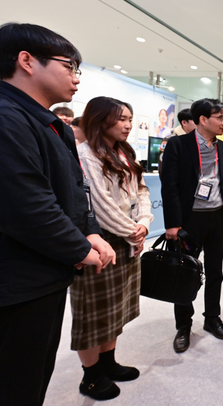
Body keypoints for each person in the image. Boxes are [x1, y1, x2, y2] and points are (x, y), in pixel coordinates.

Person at [0, 22, 115, 406]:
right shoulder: (7, 117)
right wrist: (79, 249)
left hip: (46, 274)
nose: (76, 79)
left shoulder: (49, 124)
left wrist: (91, 230)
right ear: (27, 61)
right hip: (18, 280)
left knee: (33, 375)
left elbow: (75, 191)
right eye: (69, 67)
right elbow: (26, 204)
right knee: (16, 382)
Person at [72, 96, 154, 400]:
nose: (128, 125)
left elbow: (141, 191)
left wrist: (143, 223)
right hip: (100, 242)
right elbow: (100, 205)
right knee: (92, 313)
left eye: (130, 119)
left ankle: (108, 362)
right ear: (100, 119)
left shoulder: (123, 152)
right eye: (121, 119)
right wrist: (134, 231)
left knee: (115, 308)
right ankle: (91, 376)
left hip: (127, 238)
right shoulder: (85, 154)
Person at [160, 98, 223, 353]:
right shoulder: (178, 144)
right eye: (220, 118)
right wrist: (173, 224)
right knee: (184, 272)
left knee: (215, 272)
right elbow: (169, 187)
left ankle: (212, 318)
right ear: (203, 119)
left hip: (217, 217)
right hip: (189, 219)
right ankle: (183, 325)